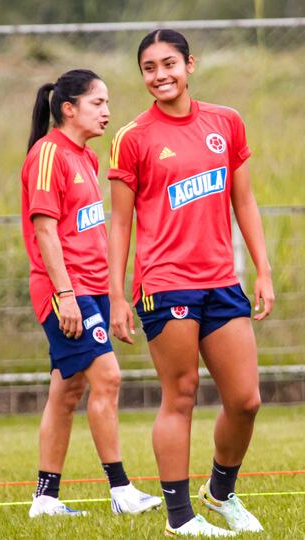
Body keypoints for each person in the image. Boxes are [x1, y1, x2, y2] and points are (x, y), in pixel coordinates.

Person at [108, 29, 274, 537]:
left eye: (169, 64)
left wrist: (263, 270)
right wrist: (117, 295)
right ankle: (180, 518)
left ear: (190, 65)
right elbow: (120, 223)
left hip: (222, 280)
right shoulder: (132, 137)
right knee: (180, 395)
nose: (160, 75)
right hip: (165, 282)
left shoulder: (226, 122)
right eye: (149, 68)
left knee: (246, 400)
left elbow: (242, 201)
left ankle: (220, 493)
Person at [21, 69, 162, 518]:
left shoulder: (87, 158)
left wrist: (111, 296)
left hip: (91, 291)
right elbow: (44, 231)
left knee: (66, 392)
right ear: (69, 108)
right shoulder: (48, 153)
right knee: (109, 378)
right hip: (67, 292)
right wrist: (66, 296)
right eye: (97, 103)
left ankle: (45, 499)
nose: (106, 111)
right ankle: (121, 490)